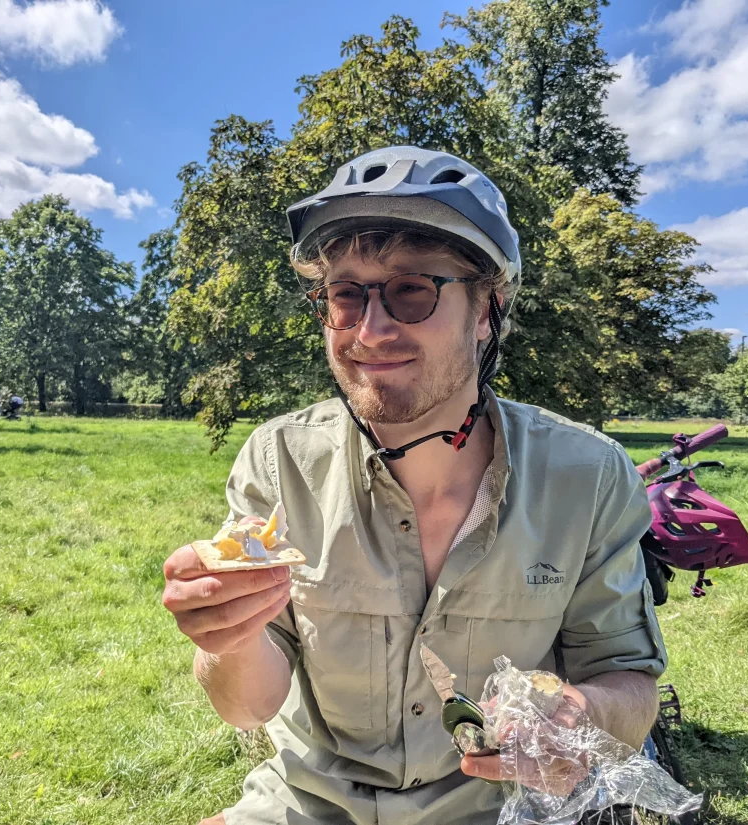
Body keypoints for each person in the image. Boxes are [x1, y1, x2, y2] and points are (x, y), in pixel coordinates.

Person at [162, 146, 667, 825]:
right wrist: (226, 637)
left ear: (487, 309)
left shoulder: (586, 476)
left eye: (412, 290)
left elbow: (629, 685)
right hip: (308, 806)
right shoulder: (278, 460)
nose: (371, 331)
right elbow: (246, 706)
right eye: (346, 295)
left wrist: (581, 713)